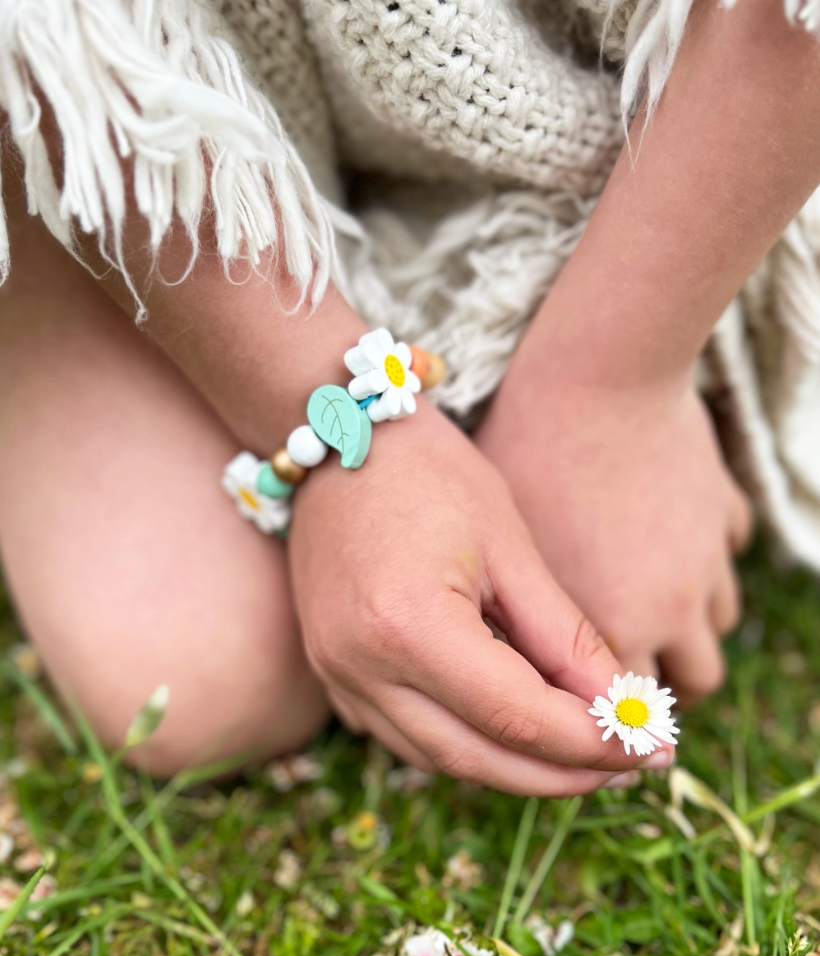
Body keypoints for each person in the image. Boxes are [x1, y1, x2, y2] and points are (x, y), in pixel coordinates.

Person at [0, 0, 816, 788]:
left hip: (635, 113)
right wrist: (321, 416)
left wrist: (611, 386)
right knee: (196, 680)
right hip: (158, 134)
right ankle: (41, 211)